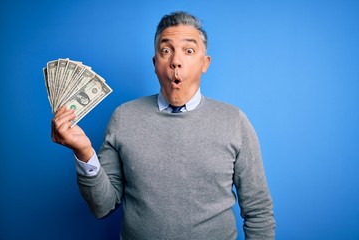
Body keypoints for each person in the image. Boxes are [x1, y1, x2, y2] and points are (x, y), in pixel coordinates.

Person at [52, 11, 275, 240]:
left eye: (189, 51)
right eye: (166, 50)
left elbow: (258, 213)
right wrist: (84, 153)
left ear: (204, 63)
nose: (175, 61)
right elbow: (103, 206)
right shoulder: (124, 117)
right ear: (155, 63)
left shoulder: (234, 121)